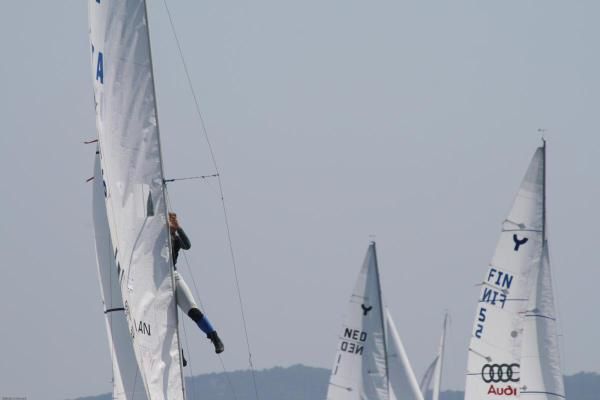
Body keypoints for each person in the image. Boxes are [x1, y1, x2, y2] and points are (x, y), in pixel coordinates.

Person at [169, 212, 224, 354]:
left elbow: (187, 245)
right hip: (157, 282)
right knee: (164, 321)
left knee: (193, 310)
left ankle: (214, 337)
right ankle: (177, 353)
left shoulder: (175, 238)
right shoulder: (154, 237)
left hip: (173, 276)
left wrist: (178, 228)